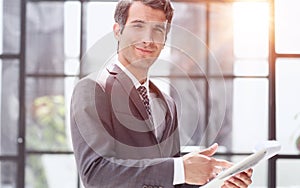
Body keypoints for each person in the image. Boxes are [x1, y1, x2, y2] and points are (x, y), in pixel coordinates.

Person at [70, 0, 253, 187]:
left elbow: (166, 180)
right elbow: (96, 174)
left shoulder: (167, 103)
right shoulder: (92, 89)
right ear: (118, 31)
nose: (148, 39)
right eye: (138, 26)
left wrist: (216, 182)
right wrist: (180, 168)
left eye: (158, 30)